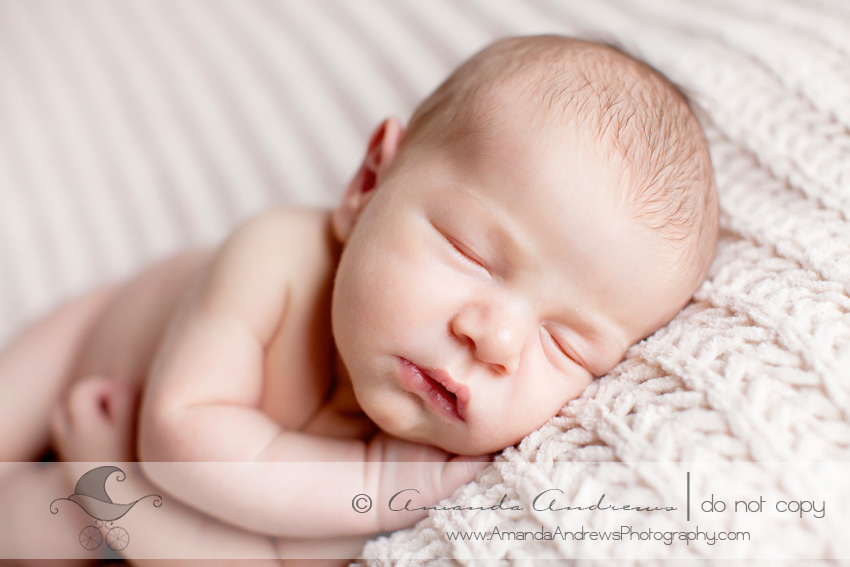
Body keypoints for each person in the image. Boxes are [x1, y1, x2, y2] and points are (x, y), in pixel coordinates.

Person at [0, 34, 717, 563]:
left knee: (43, 530)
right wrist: (371, 483)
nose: (495, 342)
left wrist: (101, 483)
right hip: (88, 347)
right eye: (472, 253)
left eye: (567, 343)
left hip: (107, 476)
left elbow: (252, 563)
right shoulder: (276, 258)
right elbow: (176, 432)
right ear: (370, 181)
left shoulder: (419, 471)